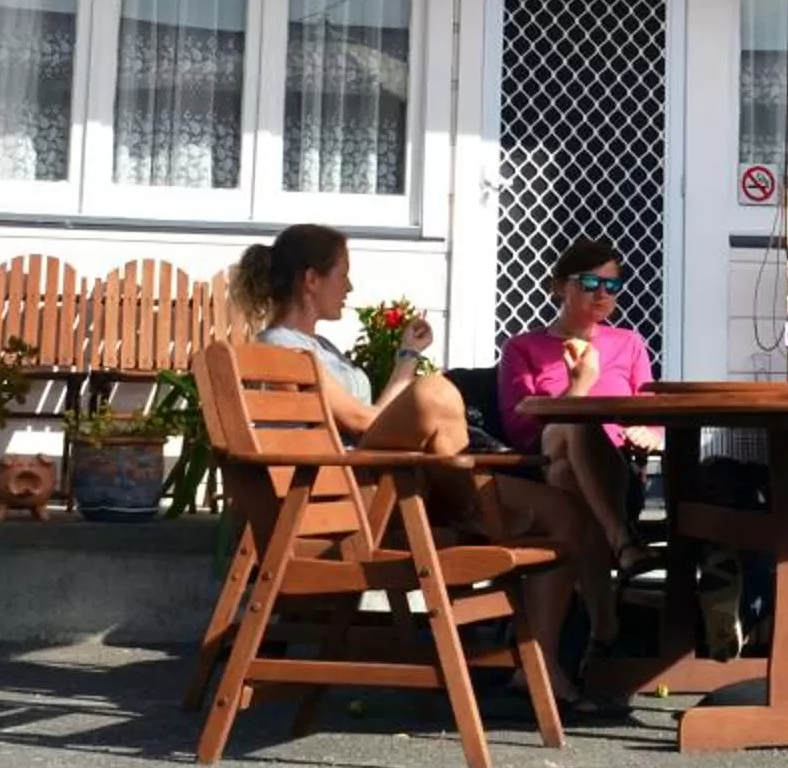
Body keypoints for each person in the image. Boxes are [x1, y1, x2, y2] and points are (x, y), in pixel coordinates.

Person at [229, 224, 608, 705]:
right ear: (310, 280)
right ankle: (473, 505)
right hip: (354, 504)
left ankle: (543, 665)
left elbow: (373, 418)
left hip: (385, 481)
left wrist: (408, 357)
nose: (349, 287)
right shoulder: (280, 352)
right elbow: (367, 425)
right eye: (343, 275)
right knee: (438, 394)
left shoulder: (320, 350)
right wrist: (424, 397)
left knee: (563, 513)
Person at [496, 238, 661, 606]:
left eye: (612, 285)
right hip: (542, 472)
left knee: (567, 472)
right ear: (558, 287)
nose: (602, 294)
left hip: (616, 470)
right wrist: (578, 386)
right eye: (589, 283)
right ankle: (621, 545)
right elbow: (520, 431)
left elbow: (653, 414)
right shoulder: (522, 348)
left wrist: (649, 433)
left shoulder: (628, 343)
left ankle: (594, 625)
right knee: (573, 426)